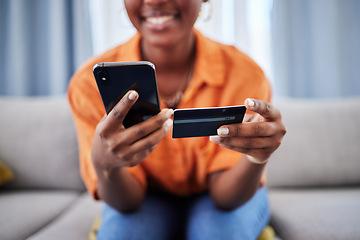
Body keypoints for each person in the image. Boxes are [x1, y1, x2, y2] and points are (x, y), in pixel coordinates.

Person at [68, 0, 286, 239]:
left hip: (221, 196)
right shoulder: (89, 86)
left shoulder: (244, 74)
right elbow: (127, 203)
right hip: (145, 198)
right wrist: (105, 166)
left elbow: (226, 199)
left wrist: (257, 156)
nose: (153, 1)